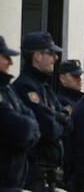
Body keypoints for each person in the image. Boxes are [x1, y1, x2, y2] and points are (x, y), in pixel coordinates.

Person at [13, 31, 72, 191]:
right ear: (37, 56)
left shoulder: (44, 87)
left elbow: (68, 122)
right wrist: (57, 119)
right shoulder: (26, 86)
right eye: (51, 53)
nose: (56, 58)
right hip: (33, 171)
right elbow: (48, 128)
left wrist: (58, 118)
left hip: (48, 173)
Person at [0, 35, 40, 190]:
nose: (10, 62)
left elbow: (32, 121)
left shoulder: (7, 89)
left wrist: (29, 128)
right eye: (5, 57)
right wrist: (29, 128)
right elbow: (22, 129)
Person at [57, 59, 84, 188]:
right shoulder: (60, 101)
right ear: (62, 78)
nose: (79, 79)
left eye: (80, 76)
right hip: (68, 165)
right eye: (74, 76)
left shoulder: (83, 101)